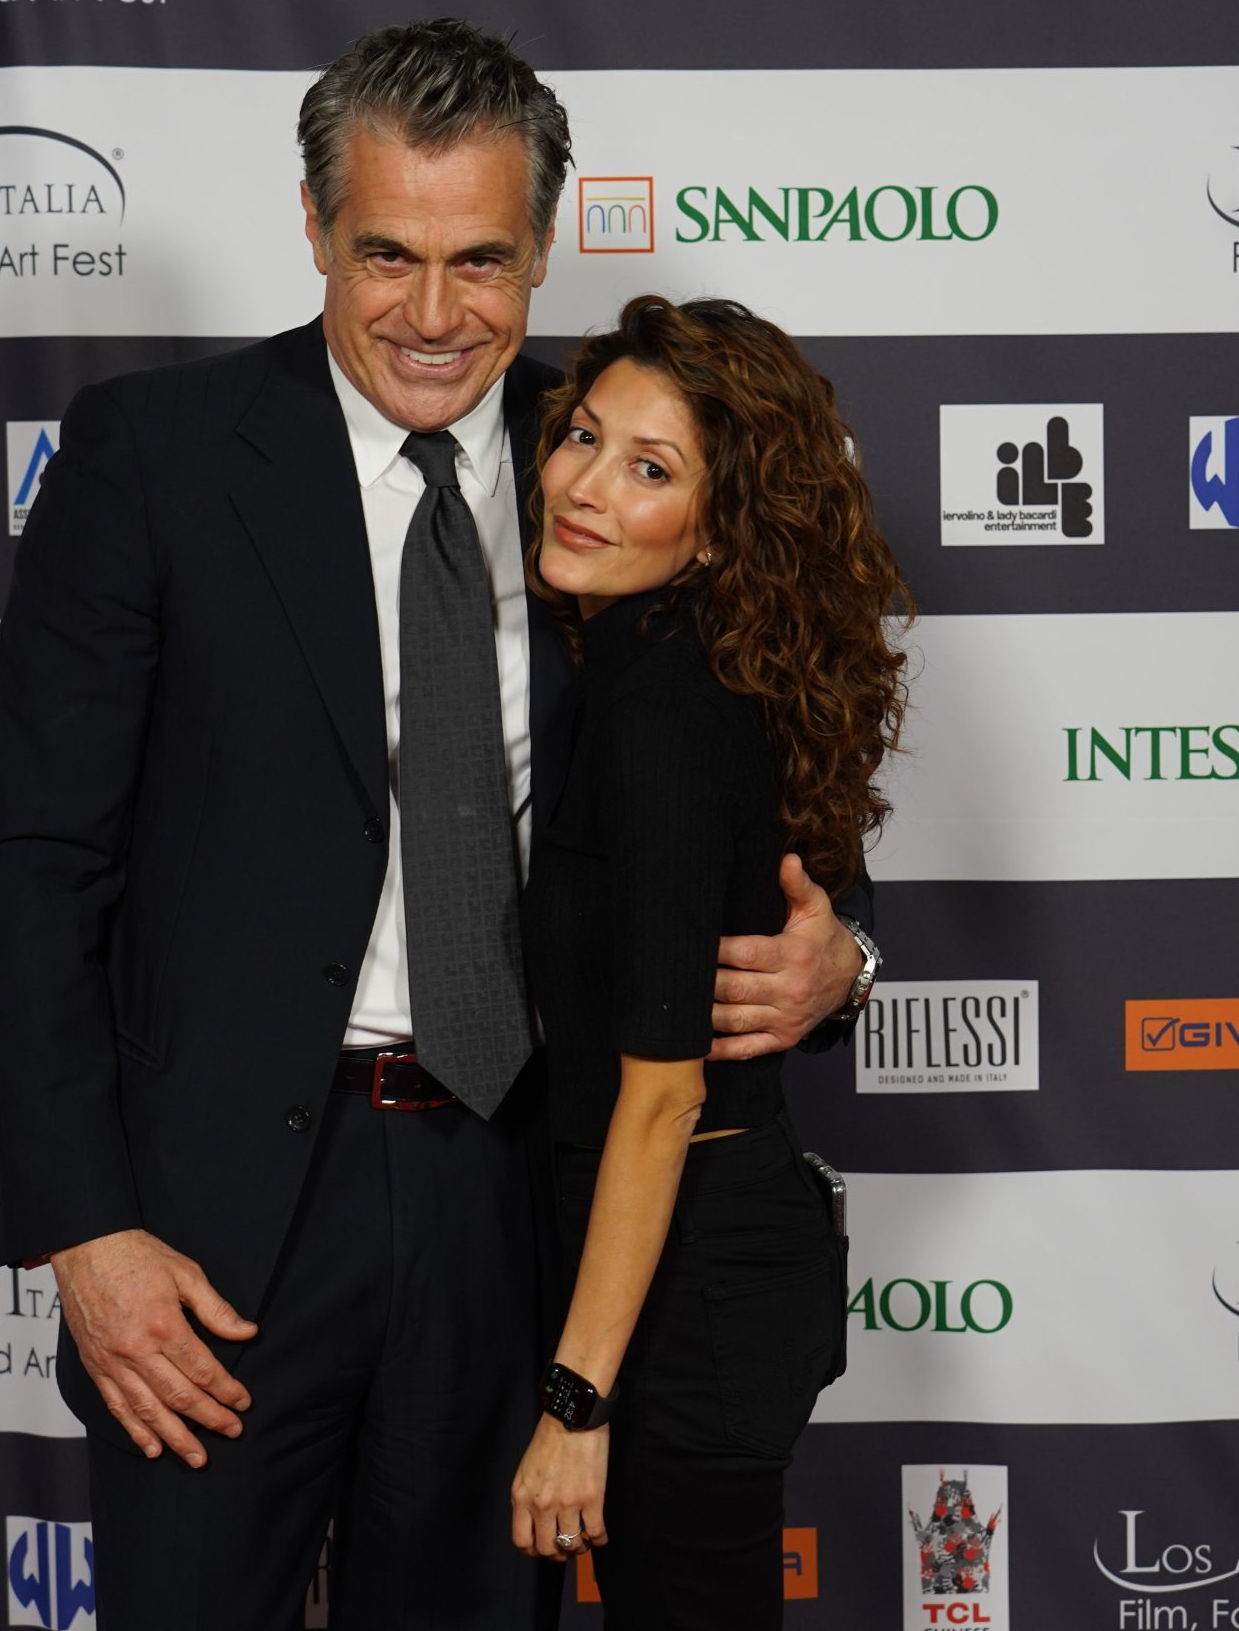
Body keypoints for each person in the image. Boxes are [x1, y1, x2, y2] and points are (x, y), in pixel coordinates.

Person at [0, 23, 880, 1628]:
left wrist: (845, 953)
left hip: (510, 1198)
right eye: (388, 253)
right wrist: (87, 1234)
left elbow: (765, 753)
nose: (436, 314)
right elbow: (36, 867)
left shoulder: (603, 463)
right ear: (316, 228)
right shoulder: (152, 457)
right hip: (214, 1222)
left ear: (544, 247)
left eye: (482, 260)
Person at [505, 296, 912, 1628]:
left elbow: (662, 1098)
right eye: (582, 437)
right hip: (671, 1263)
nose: (583, 487)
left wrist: (576, 1401)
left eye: (650, 469)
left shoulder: (664, 712)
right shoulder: (659, 667)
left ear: (722, 524)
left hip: (687, 1282)